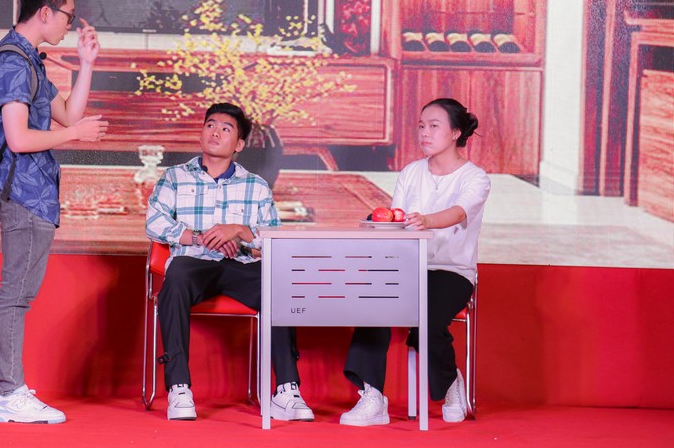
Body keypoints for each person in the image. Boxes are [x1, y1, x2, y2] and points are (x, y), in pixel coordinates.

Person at [0, 0, 108, 424]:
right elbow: (19, 139)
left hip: (33, 192)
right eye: (68, 16)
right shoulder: (14, 64)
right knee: (17, 295)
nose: (70, 25)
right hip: (22, 192)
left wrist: (86, 64)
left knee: (11, 292)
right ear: (45, 11)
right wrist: (76, 135)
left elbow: (68, 114)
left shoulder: (27, 60)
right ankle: (9, 393)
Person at [145, 102, 313, 422]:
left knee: (278, 285)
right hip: (193, 263)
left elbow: (274, 238)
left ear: (239, 144)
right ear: (201, 133)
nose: (215, 132)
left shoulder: (256, 186)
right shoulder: (175, 177)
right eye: (210, 125)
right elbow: (154, 223)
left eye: (226, 128)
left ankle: (286, 389)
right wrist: (200, 238)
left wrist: (239, 231)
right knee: (175, 277)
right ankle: (179, 387)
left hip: (240, 265)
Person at [340, 97, 490, 426]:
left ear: (456, 132)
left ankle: (450, 382)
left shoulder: (475, 178)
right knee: (371, 302)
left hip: (451, 271)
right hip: (407, 266)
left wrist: (426, 221)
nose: (424, 132)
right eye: (421, 126)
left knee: (426, 318)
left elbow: (459, 212)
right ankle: (372, 395)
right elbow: (396, 219)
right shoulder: (411, 172)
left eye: (434, 126)